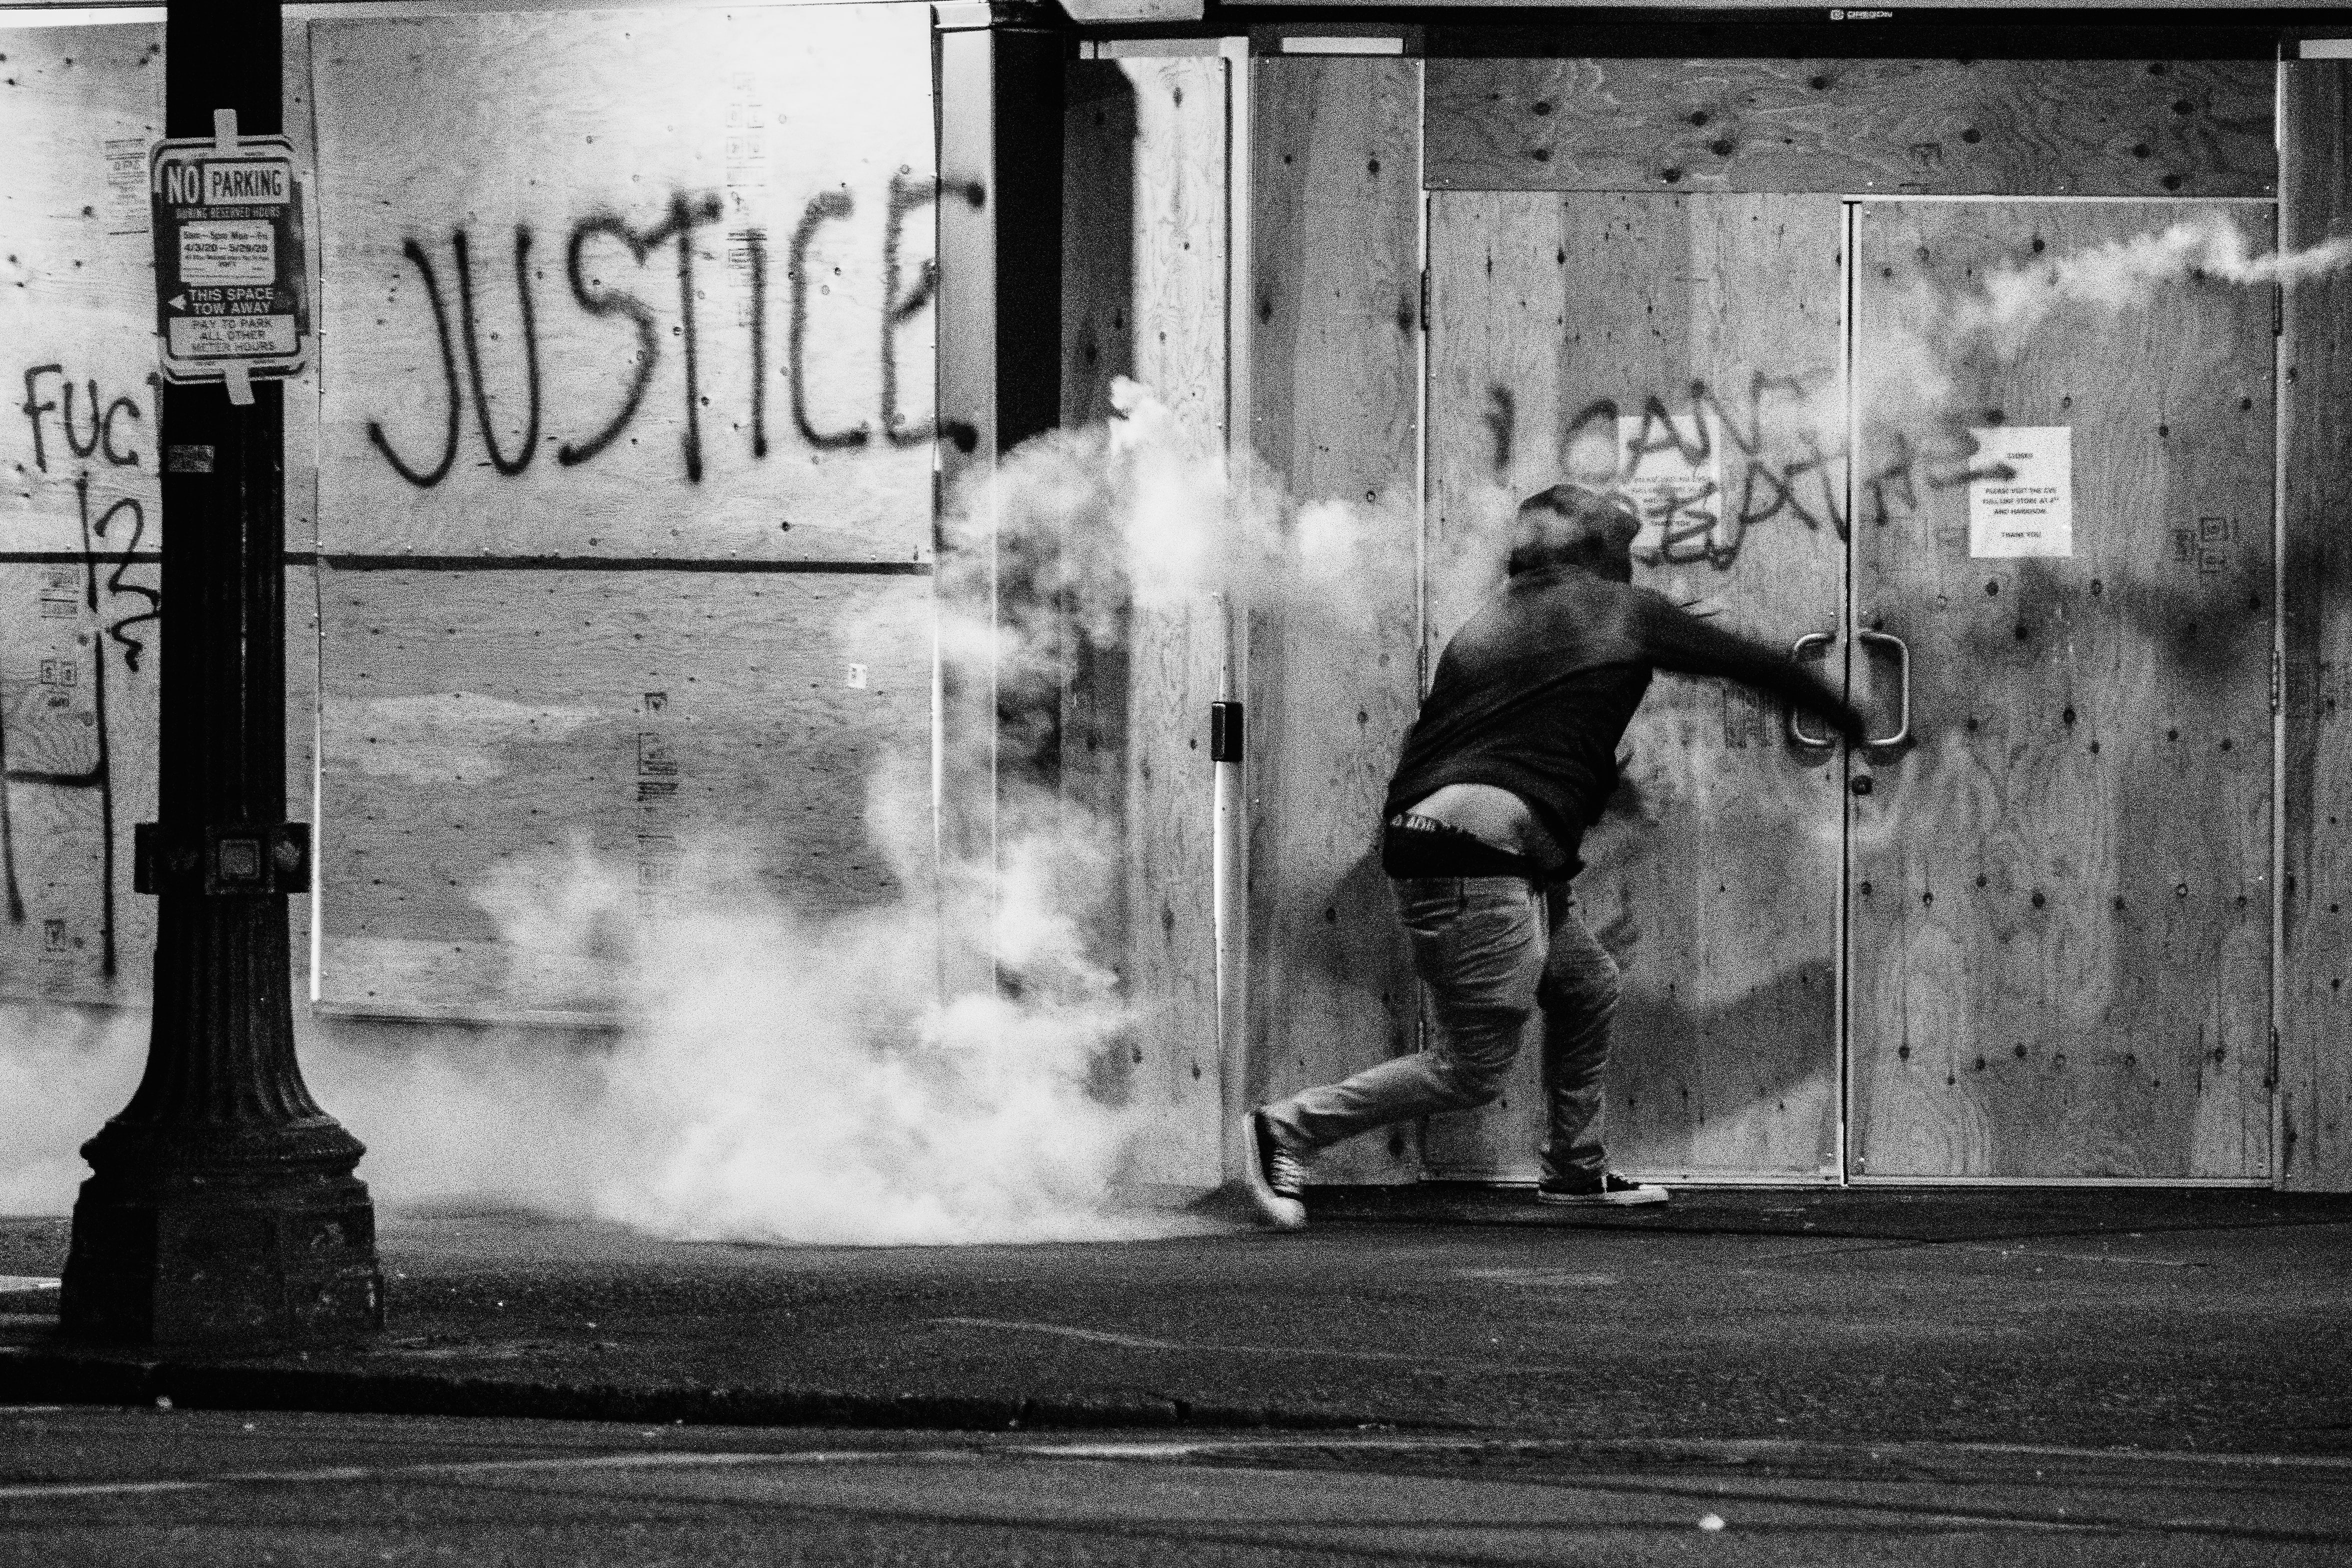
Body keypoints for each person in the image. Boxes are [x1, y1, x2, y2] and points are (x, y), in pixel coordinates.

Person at [1244, 482, 1868, 1230]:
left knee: (1584, 982)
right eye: (1624, 549)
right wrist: (1845, 715)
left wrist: (1600, 792)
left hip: (1489, 853)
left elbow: (1506, 744)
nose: (1632, 566)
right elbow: (1757, 666)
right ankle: (1286, 1129)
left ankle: (1575, 1169)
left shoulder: (1493, 625)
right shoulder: (1613, 609)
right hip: (1473, 858)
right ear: (1597, 553)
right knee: (1469, 1068)